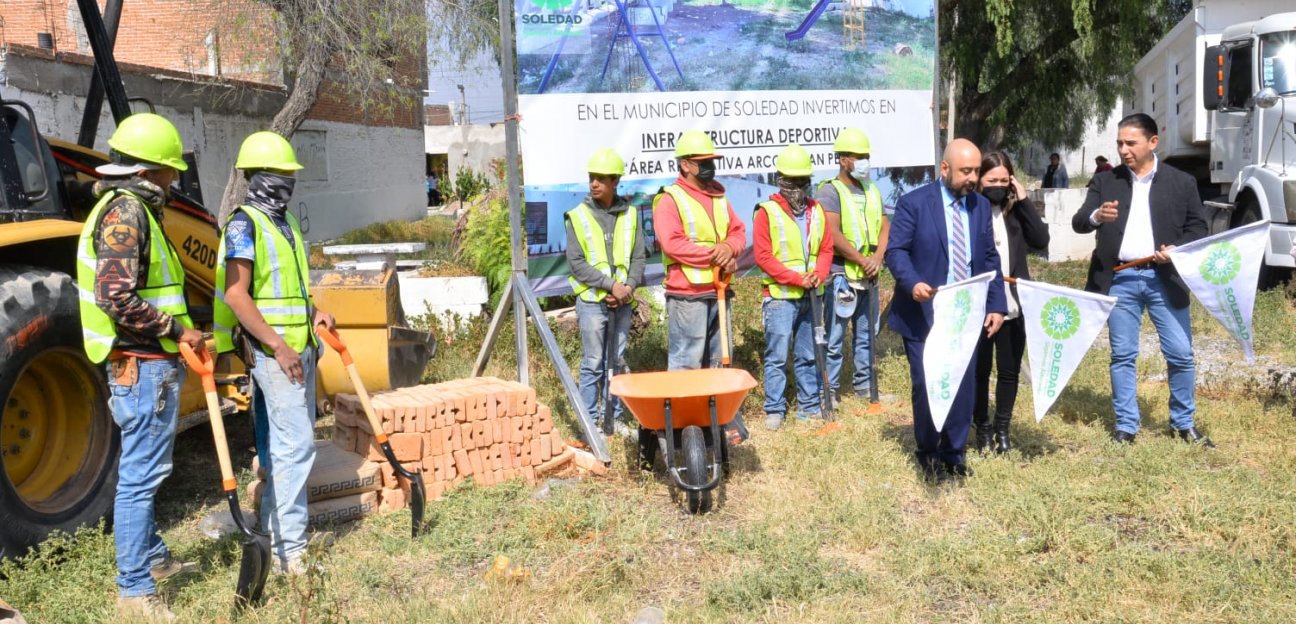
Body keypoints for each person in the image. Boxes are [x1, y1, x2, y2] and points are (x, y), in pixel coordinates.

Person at [75, 112, 205, 620]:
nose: (174, 180)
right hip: (143, 364)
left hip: (150, 364)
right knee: (140, 478)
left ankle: (152, 559)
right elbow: (115, 296)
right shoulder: (126, 214)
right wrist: (178, 330)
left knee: (146, 469)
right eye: (171, 170)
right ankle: (133, 590)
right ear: (150, 170)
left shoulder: (133, 210)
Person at [214, 131, 336, 574]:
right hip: (274, 355)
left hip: (297, 349)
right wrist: (280, 346)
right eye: (281, 174)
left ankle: (274, 534)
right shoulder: (244, 224)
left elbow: (285, 288)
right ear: (260, 177)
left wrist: (314, 312)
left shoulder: (283, 223)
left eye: (290, 175)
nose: (288, 182)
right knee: (296, 448)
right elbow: (236, 294)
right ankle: (290, 552)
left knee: (284, 447)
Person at [1071, 113, 1213, 447]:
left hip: (1164, 277)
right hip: (1119, 278)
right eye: (1119, 143)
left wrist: (1177, 249)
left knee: (1180, 354)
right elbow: (1079, 222)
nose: (1123, 150)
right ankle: (1126, 426)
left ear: (1153, 142)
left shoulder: (1181, 182)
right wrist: (1097, 216)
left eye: (1130, 143)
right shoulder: (1106, 181)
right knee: (1123, 355)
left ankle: (1183, 423)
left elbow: (1198, 227)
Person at [884, 138, 1006, 482]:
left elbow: (989, 258)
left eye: (976, 171)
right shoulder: (914, 204)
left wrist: (996, 305)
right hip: (924, 312)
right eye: (966, 171)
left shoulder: (980, 206)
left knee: (963, 385)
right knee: (927, 384)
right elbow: (896, 251)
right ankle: (928, 452)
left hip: (965, 314)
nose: (973, 178)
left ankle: (954, 453)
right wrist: (913, 283)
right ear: (945, 168)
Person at [653, 130, 749, 443]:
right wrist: (715, 255)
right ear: (685, 165)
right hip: (687, 296)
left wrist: (730, 248)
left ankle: (715, 429)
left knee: (719, 362)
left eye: (711, 160)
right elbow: (673, 243)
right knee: (686, 365)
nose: (709, 166)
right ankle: (682, 432)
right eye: (702, 161)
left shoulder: (719, 197)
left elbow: (738, 231)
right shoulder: (670, 199)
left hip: (719, 292)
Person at [972, 151, 1050, 454]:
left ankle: (1002, 429)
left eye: (1004, 180)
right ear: (979, 179)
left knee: (1009, 371)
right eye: (992, 180)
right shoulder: (971, 211)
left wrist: (1024, 199)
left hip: (1014, 304)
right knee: (980, 372)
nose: (998, 186)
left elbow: (1040, 240)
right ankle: (982, 429)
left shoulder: (1015, 212)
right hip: (982, 306)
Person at [565, 147, 646, 434]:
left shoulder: (631, 215)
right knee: (593, 363)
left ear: (616, 181)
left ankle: (615, 417)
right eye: (591, 178)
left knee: (617, 361)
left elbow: (639, 257)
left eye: (601, 178)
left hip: (622, 303)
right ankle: (590, 423)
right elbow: (576, 263)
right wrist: (611, 286)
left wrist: (628, 288)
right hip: (592, 303)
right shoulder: (578, 216)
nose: (594, 183)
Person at [753, 145, 833, 430]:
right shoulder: (767, 212)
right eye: (793, 181)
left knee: (808, 354)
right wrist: (798, 279)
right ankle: (774, 409)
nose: (799, 187)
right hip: (781, 298)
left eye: (803, 181)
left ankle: (808, 407)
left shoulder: (817, 210)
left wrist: (818, 275)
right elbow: (764, 257)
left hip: (812, 296)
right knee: (776, 356)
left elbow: (826, 249)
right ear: (781, 180)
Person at [816, 127, 889, 401]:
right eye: (859, 157)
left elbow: (885, 226)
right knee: (835, 338)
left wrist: (877, 258)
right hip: (842, 275)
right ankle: (829, 392)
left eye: (867, 156)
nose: (864, 162)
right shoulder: (830, 191)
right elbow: (832, 234)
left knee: (867, 335)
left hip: (869, 274)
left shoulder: (872, 190)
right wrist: (861, 260)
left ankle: (864, 387)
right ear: (844, 159)